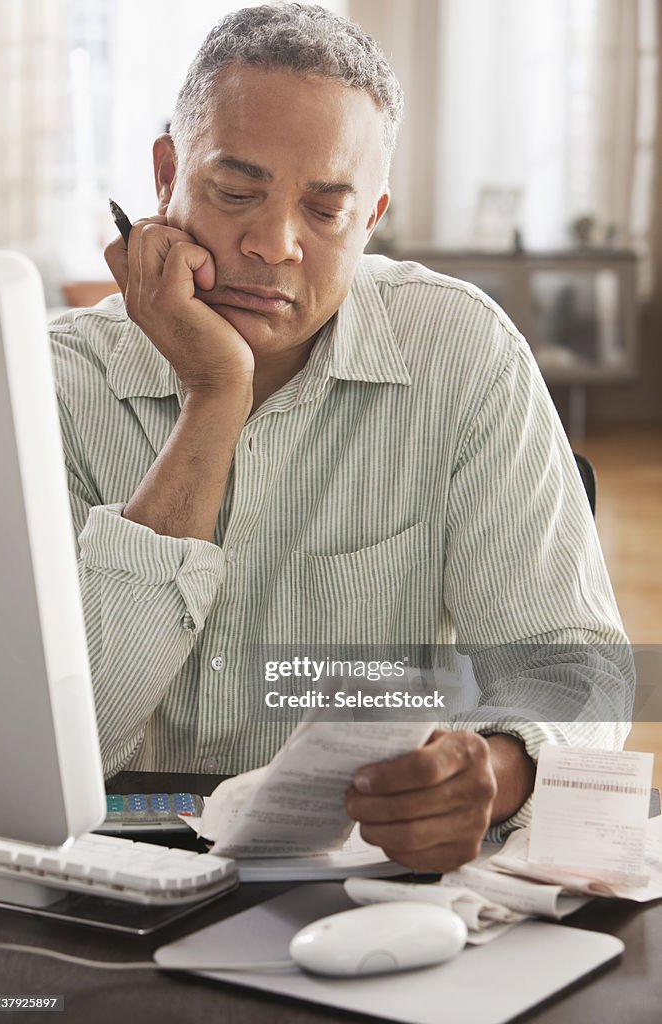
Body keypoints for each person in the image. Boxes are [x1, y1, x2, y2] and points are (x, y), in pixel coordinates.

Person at [49, 3, 630, 873]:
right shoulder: (49, 383)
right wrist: (216, 395)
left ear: (371, 220)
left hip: (357, 871)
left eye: (324, 210)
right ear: (167, 171)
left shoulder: (459, 351)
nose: (272, 242)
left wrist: (498, 770)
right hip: (108, 870)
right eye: (236, 191)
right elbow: (64, 742)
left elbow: (575, 667)